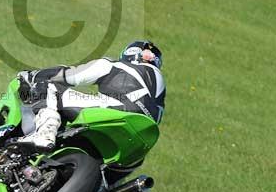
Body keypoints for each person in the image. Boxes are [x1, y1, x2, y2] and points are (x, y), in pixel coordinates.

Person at [15, 40, 165, 150]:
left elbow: (70, 75)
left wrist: (35, 76)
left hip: (114, 111)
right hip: (141, 137)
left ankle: (45, 132)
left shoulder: (115, 65)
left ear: (128, 53)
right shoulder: (160, 87)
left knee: (49, 85)